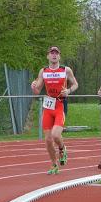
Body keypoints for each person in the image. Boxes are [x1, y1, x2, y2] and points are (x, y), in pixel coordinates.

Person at [31, 46, 79, 174]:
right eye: (51, 53)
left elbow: (75, 84)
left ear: (59, 56)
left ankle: (62, 149)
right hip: (48, 106)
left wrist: (68, 90)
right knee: (48, 140)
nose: (54, 55)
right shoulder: (43, 71)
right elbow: (37, 90)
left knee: (56, 135)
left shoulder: (65, 70)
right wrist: (33, 87)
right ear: (48, 56)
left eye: (56, 53)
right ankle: (54, 165)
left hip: (60, 105)